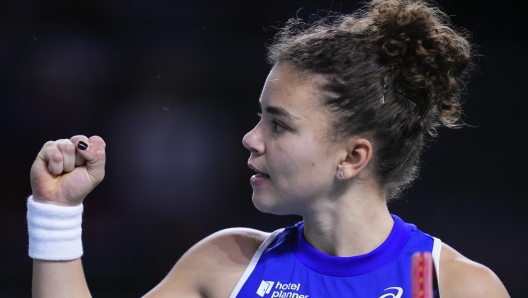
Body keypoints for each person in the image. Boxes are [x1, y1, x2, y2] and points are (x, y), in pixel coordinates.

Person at [27, 0, 510, 297]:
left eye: (279, 126)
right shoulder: (226, 264)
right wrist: (56, 213)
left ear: (352, 158)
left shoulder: (457, 287)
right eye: (260, 116)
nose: (250, 138)